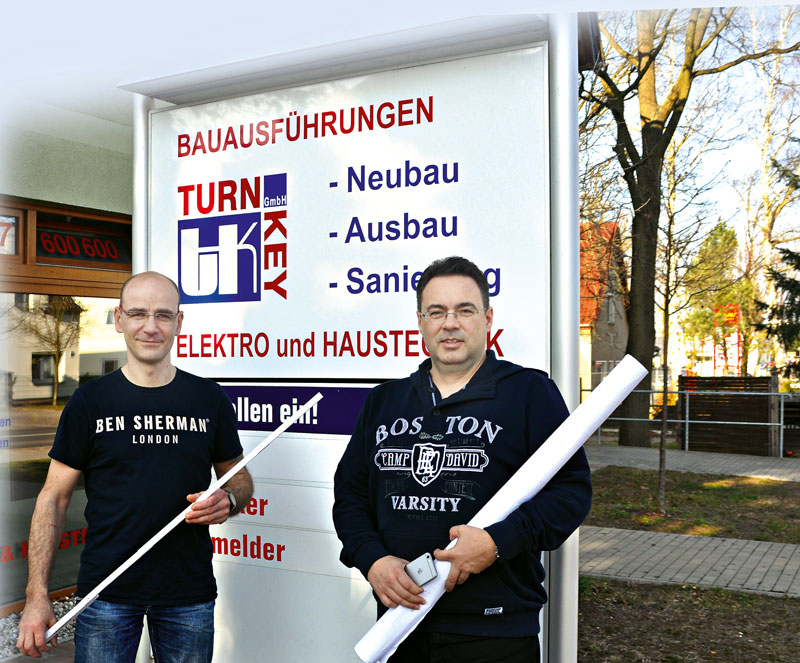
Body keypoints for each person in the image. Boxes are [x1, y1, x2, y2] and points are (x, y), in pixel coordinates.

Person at [332, 256, 591, 663]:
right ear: (421, 321)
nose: (449, 323)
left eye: (464, 310)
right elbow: (349, 497)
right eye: (436, 312)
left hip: (494, 632)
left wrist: (497, 543)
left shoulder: (528, 394)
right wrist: (373, 560)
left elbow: (570, 493)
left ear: (487, 318)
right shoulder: (384, 400)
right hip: (400, 624)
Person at [16, 271, 253, 662]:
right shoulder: (90, 402)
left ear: (179, 323)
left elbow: (240, 477)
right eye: (139, 313)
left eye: (163, 315)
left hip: (187, 593)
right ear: (119, 318)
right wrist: (37, 595)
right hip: (104, 593)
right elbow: (53, 499)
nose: (150, 326)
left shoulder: (208, 399)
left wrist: (229, 497)